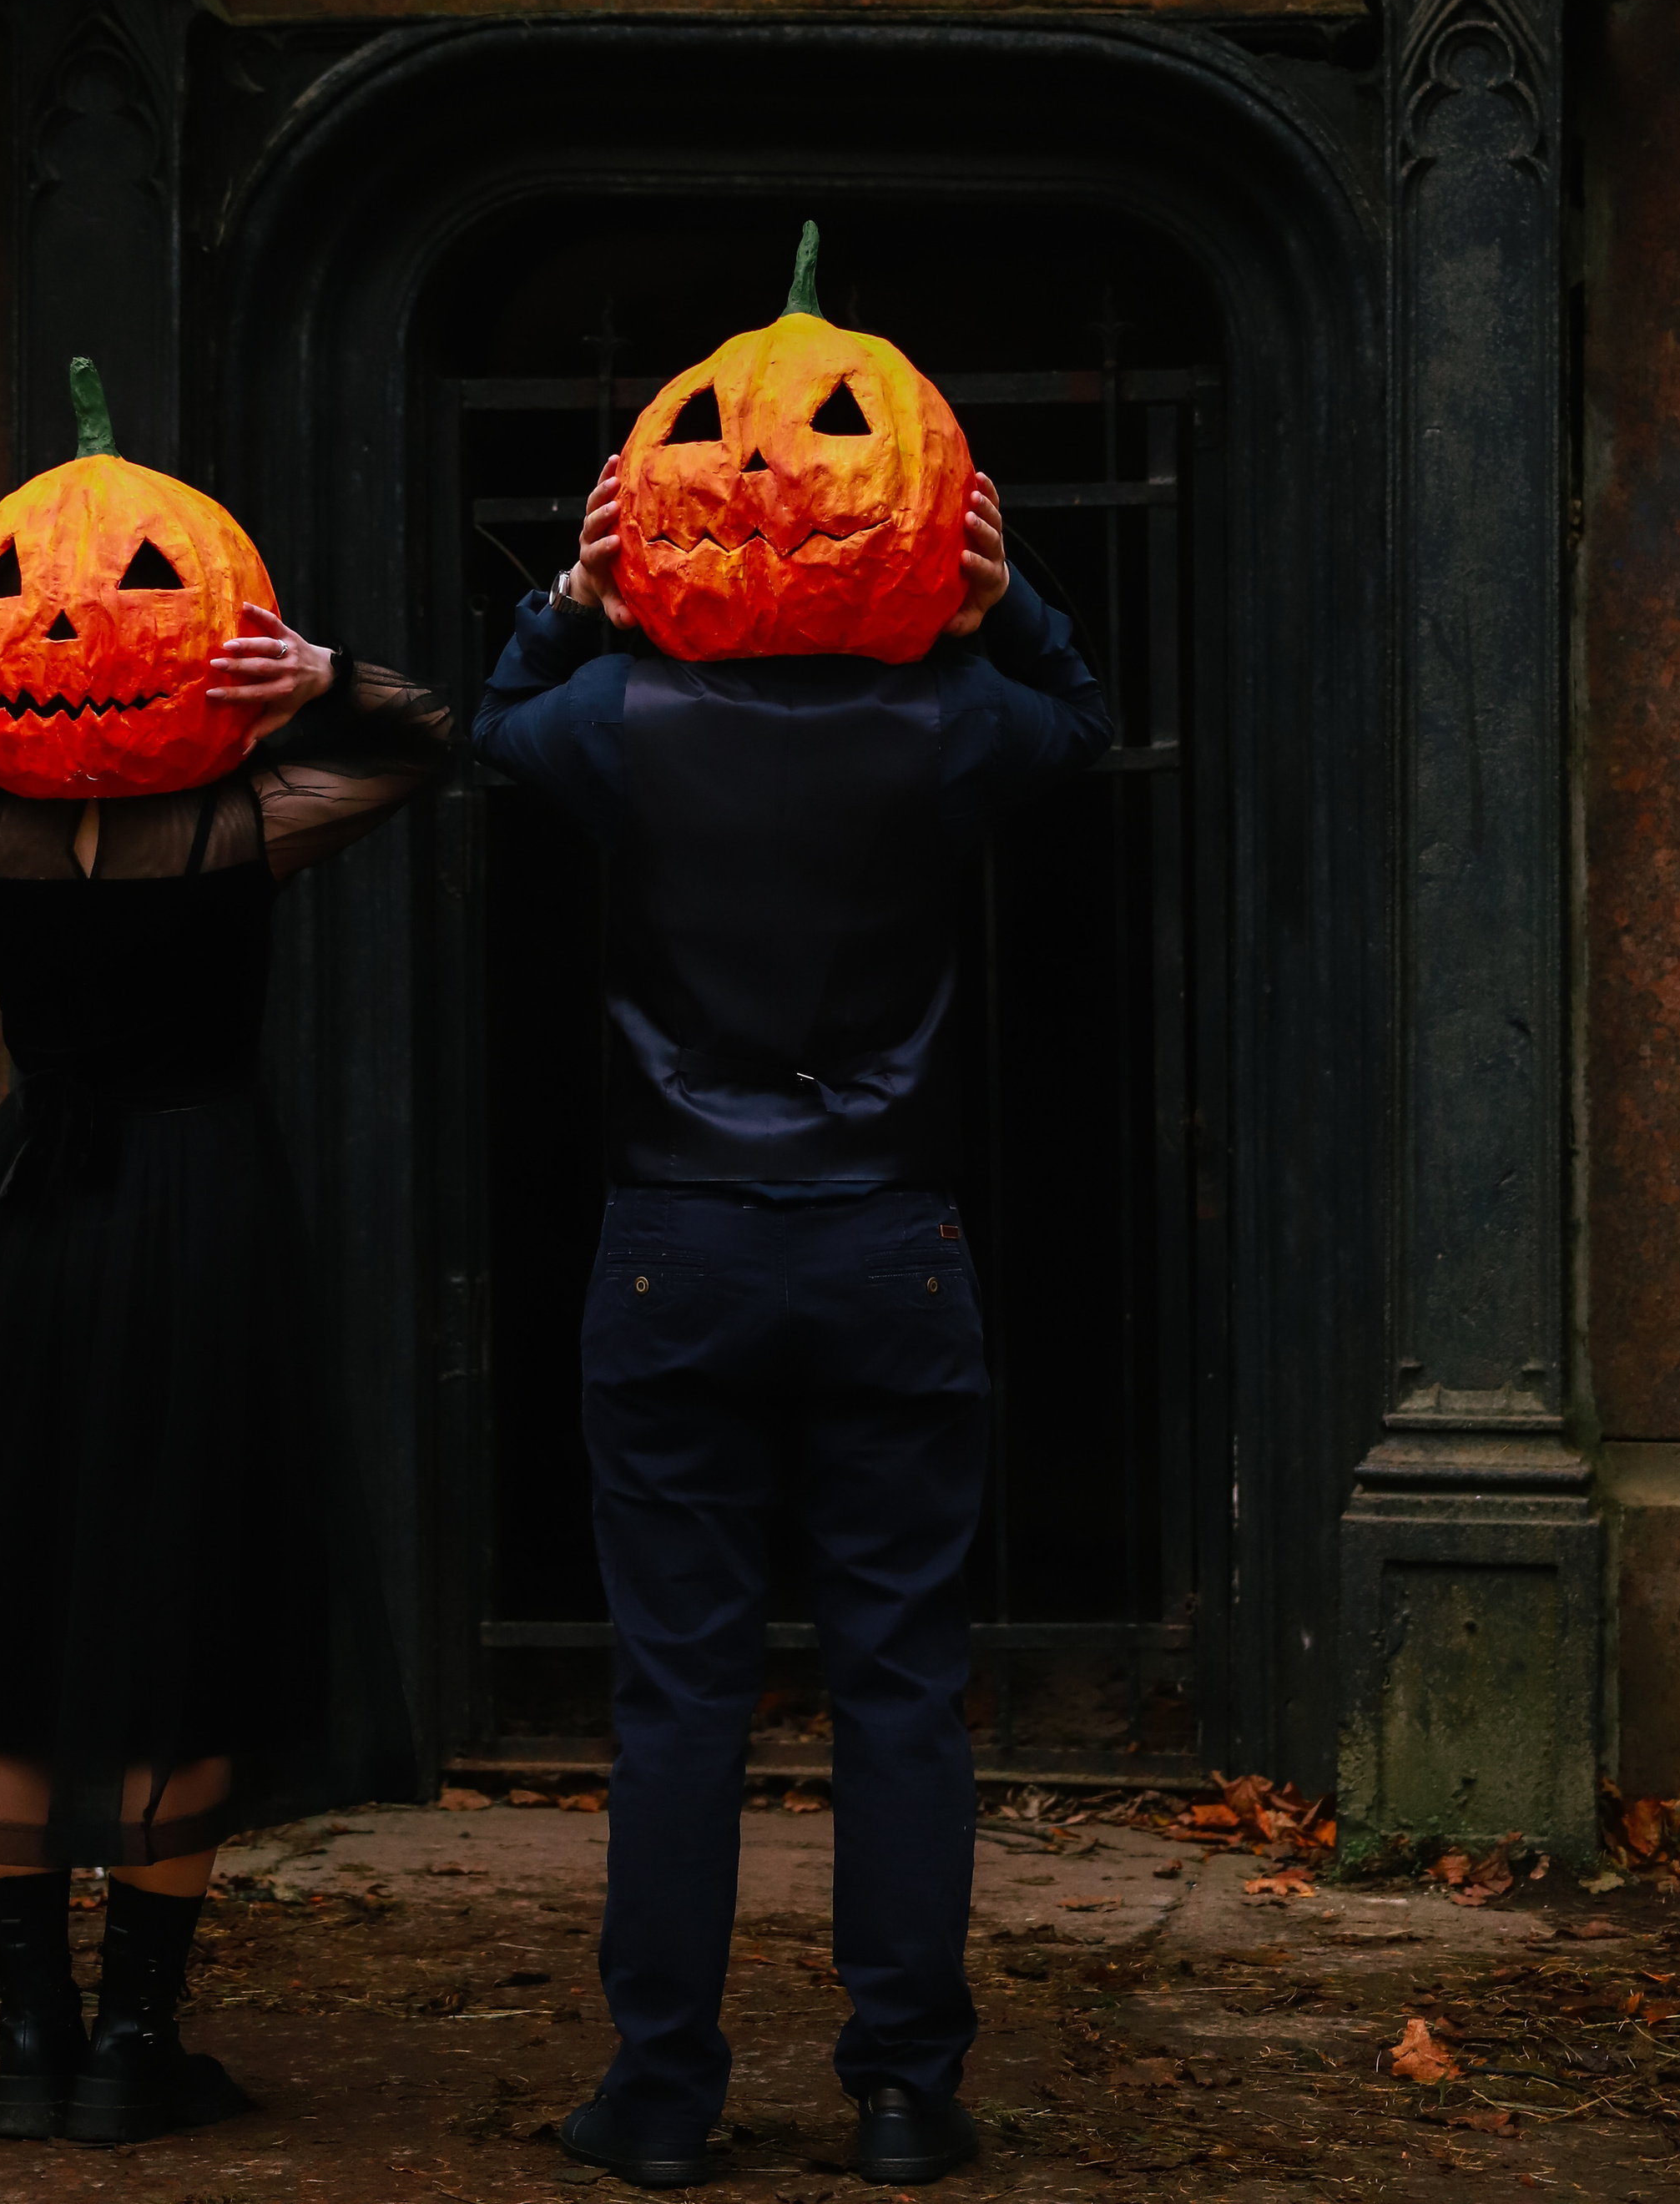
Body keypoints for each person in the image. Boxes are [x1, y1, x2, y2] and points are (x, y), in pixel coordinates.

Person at [472, 448, 1111, 2191]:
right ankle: (902, 2092)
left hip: (675, 1240)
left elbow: (492, 724)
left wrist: (568, 595)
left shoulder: (615, 713)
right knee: (897, 1684)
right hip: (889, 1239)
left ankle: (663, 2096)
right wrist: (1002, 603)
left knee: (677, 1696)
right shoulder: (950, 718)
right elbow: (1079, 715)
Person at [0, 572, 446, 2148]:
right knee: (188, 1597)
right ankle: (127, 2045)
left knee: (10, 1601)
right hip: (199, 1210)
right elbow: (426, 741)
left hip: (36, 1215)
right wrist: (320, 673)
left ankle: (32, 2040)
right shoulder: (239, 828)